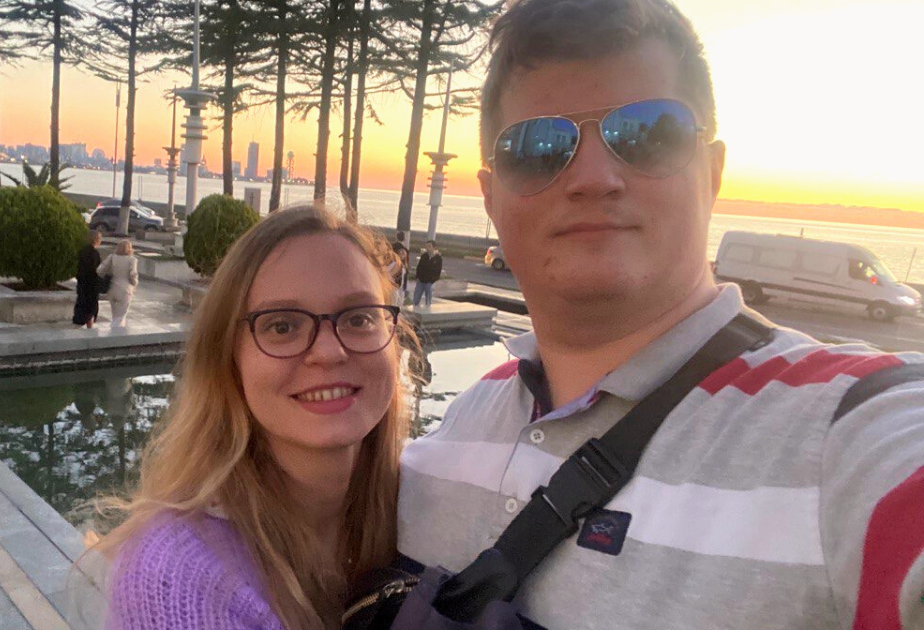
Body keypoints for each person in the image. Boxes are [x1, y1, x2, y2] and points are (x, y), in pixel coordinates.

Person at [396, 1, 924, 629]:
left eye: (649, 132)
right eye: (538, 148)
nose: (593, 177)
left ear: (713, 170)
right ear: (490, 198)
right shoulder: (455, 429)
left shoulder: (847, 429)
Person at [96, 204, 415, 629]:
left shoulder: (431, 506)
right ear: (229, 359)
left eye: (358, 318)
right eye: (282, 326)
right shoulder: (175, 578)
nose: (328, 352)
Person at [97, 239, 139, 329]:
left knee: (115, 315)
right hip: (125, 290)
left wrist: (107, 275)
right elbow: (133, 274)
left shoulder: (111, 257)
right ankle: (114, 335)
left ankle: (115, 332)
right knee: (121, 316)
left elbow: (100, 270)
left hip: (112, 288)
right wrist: (134, 283)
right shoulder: (132, 260)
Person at [73, 230, 103, 328]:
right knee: (91, 307)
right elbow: (97, 270)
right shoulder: (95, 254)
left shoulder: (82, 251)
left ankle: (80, 322)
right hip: (91, 284)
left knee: (82, 304)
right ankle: (90, 327)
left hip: (82, 282)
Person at [412, 241, 443, 308]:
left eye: (429, 246)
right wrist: (418, 277)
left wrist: (432, 280)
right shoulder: (424, 256)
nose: (427, 248)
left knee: (428, 300)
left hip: (429, 282)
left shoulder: (438, 258)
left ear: (434, 247)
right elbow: (419, 267)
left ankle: (427, 311)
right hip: (420, 281)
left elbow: (438, 271)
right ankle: (415, 309)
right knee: (416, 298)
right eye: (426, 246)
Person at [391, 231, 410, 300]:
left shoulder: (391, 247)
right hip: (400, 283)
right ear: (404, 239)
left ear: (396, 237)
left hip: (393, 282)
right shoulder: (406, 250)